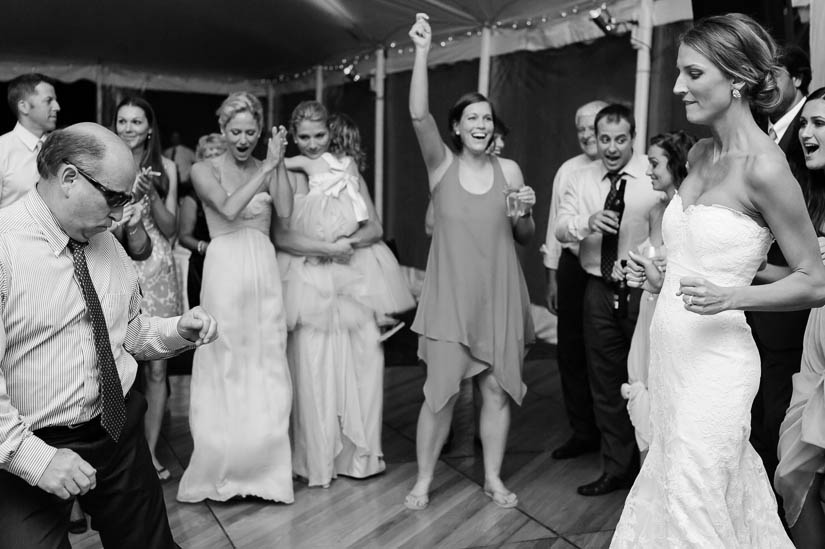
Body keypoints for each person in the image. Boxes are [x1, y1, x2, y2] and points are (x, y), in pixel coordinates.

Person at [610, 14, 825, 548]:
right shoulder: (702, 154)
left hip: (718, 367)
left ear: (735, 79)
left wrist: (735, 296)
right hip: (671, 355)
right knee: (689, 495)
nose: (679, 86)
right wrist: (655, 271)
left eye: (693, 73)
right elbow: (693, 255)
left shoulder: (766, 168)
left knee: (694, 501)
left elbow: (815, 280)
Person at [0, 122, 217, 549]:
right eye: (114, 198)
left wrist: (178, 329)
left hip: (117, 431)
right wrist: (34, 459)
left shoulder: (108, 246)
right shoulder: (4, 247)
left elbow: (129, 334)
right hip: (26, 442)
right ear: (68, 177)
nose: (119, 214)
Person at [404, 14, 535, 510]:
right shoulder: (441, 167)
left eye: (487, 118)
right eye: (471, 119)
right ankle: (422, 480)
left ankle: (494, 478)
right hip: (450, 299)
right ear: (456, 128)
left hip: (498, 295)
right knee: (438, 395)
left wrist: (523, 212)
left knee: (496, 392)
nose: (481, 125)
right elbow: (419, 117)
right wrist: (422, 51)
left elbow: (523, 237)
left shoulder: (511, 169)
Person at [176, 92, 294, 503]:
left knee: (266, 360)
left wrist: (276, 169)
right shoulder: (202, 168)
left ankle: (266, 469)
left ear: (260, 131)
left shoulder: (268, 164)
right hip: (225, 267)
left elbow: (285, 210)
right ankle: (220, 463)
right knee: (224, 358)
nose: (243, 138)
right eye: (235, 131)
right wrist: (269, 169)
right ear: (222, 130)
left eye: (251, 131)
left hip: (263, 266)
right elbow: (227, 210)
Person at [274, 100, 387, 489]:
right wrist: (325, 250)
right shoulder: (285, 171)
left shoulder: (346, 169)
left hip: (348, 279)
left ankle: (358, 458)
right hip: (306, 283)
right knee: (314, 371)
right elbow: (282, 235)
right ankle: (316, 460)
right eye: (303, 137)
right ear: (293, 134)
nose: (311, 144)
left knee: (361, 367)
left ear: (329, 131)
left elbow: (374, 227)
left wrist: (346, 243)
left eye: (319, 135)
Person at [555, 104, 660, 496]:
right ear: (594, 139)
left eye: (620, 139)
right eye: (604, 139)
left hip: (641, 289)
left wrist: (641, 260)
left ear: (633, 137)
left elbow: (670, 224)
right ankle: (617, 468)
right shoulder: (580, 179)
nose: (612, 148)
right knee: (603, 379)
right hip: (597, 288)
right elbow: (561, 226)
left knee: (647, 378)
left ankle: (652, 467)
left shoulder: (652, 178)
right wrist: (587, 223)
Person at [749, 44, 813, 484]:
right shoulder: (758, 135)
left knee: (786, 425)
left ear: (799, 79)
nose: (765, 81)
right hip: (759, 299)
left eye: (775, 71)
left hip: (798, 300)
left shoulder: (808, 137)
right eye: (760, 73)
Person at [114, 95, 181, 481]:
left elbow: (171, 229)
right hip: (118, 262)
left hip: (157, 271)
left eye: (136, 122)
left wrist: (150, 192)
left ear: (149, 128)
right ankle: (124, 456)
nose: (128, 128)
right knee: (122, 366)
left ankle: (152, 453)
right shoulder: (105, 162)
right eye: (122, 121)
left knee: (156, 370)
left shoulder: (167, 166)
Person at [619, 131, 696, 453]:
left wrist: (655, 275)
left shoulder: (693, 212)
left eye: (654, 163)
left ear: (676, 164)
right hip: (647, 312)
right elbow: (647, 260)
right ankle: (644, 493)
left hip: (675, 316)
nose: (648, 171)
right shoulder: (654, 209)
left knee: (670, 399)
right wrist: (631, 269)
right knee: (644, 390)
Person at [775, 86, 825, 548]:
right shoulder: (814, 200)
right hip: (817, 342)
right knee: (792, 466)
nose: (806, 132)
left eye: (820, 124)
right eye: (804, 123)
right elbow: (799, 274)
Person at [542, 99, 606, 460]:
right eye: (579, 129)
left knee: (604, 352)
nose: (585, 135)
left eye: (590, 127)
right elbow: (555, 226)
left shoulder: (632, 165)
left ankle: (612, 431)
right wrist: (551, 278)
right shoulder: (568, 170)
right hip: (571, 266)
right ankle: (582, 430)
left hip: (608, 269)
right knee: (570, 349)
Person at [178, 133, 226, 308]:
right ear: (201, 159)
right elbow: (183, 237)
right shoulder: (194, 196)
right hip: (203, 266)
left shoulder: (236, 190)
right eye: (209, 155)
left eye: (218, 154)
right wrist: (206, 248)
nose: (214, 160)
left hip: (232, 262)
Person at [0, 73, 60, 208]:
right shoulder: (2, 150)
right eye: (48, 100)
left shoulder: (60, 148)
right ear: (23, 106)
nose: (57, 107)